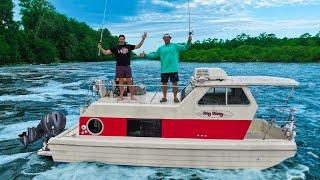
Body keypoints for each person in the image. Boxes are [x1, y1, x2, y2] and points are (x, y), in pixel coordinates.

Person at [140, 33, 192, 103]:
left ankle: (175, 97)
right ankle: (164, 97)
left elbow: (185, 47)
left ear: (170, 38)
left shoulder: (175, 46)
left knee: (174, 84)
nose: (167, 38)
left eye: (168, 37)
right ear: (163, 39)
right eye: (165, 37)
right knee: (164, 84)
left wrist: (189, 41)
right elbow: (154, 55)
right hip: (164, 70)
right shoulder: (161, 48)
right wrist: (145, 55)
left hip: (174, 69)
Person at [98, 32, 147, 100]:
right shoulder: (115, 47)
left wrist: (143, 39)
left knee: (129, 80)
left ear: (124, 40)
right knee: (120, 81)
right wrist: (100, 48)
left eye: (122, 39)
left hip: (127, 66)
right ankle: (121, 96)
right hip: (119, 66)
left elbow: (138, 46)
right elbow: (106, 53)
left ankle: (132, 96)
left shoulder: (128, 46)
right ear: (119, 40)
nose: (121, 40)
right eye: (120, 39)